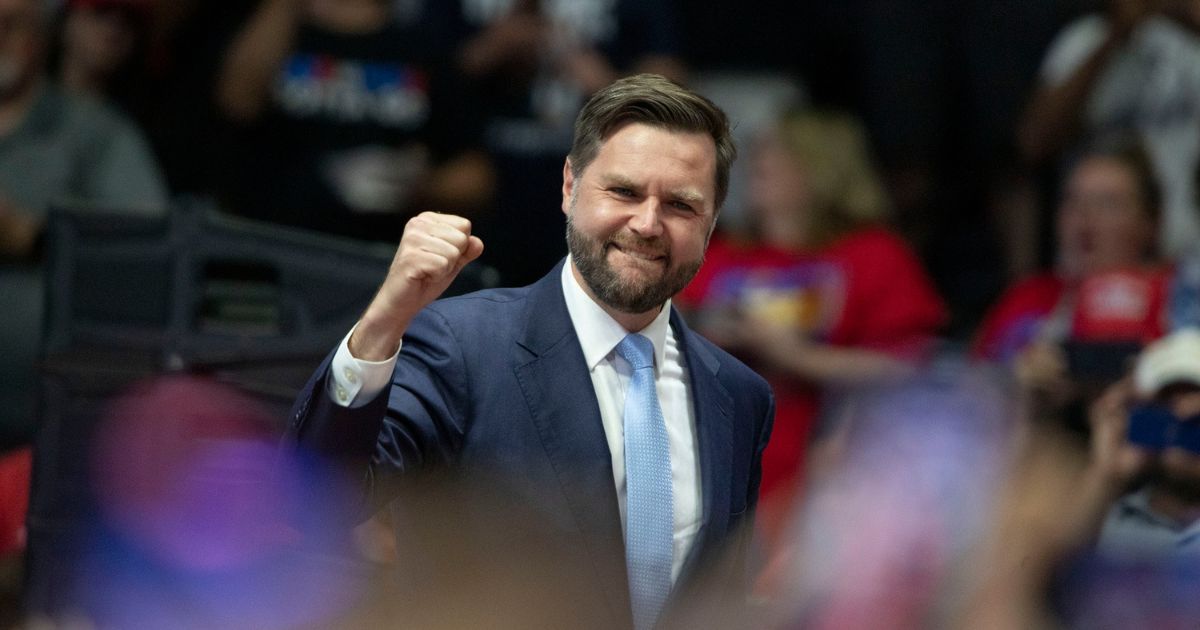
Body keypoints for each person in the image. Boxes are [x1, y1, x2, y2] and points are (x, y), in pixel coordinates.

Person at [286, 74, 774, 630]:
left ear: (713, 220)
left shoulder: (737, 394)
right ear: (569, 186)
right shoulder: (460, 347)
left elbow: (720, 601)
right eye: (624, 192)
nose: (647, 223)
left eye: (681, 205)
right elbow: (317, 499)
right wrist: (381, 324)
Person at [674, 110, 947, 543]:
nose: (760, 162)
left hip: (828, 483)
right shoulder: (722, 251)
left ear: (822, 168)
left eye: (779, 152)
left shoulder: (874, 254)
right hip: (714, 477)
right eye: (760, 150)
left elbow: (911, 371)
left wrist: (792, 354)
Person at [0, 0, 168, 448]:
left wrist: (33, 236)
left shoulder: (93, 133)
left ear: (43, 33)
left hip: (44, 428)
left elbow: (151, 251)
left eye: (12, 25)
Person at [215, 0, 491, 242]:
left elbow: (475, 175)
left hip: (378, 256)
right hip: (276, 244)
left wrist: (415, 187)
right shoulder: (279, 34)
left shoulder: (422, 49)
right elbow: (238, 102)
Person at [974, 136, 1169, 418]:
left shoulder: (1182, 294)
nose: (1085, 219)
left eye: (1108, 203)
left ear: (1150, 222)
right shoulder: (1028, 298)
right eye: (1072, 201)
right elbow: (965, 403)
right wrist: (1012, 385)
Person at [1018, 0, 1200, 259]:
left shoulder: (1190, 42)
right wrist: (1116, 35)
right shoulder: (1082, 39)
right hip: (1093, 253)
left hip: (1186, 248)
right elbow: (1034, 142)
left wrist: (1187, 19)